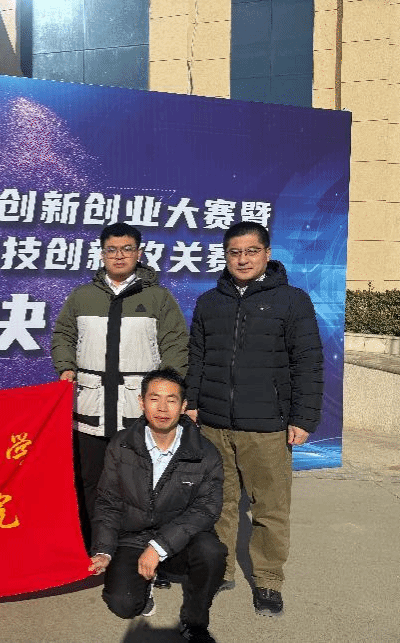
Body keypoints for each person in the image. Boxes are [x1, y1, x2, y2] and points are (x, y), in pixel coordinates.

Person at [185, 221, 324, 617]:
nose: (242, 259)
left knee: (270, 509)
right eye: (235, 252)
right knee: (218, 505)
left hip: (267, 427)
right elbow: (197, 357)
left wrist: (303, 418)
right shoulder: (210, 302)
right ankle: (220, 569)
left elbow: (308, 363)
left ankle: (267, 581)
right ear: (226, 256)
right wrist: (192, 401)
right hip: (214, 424)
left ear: (267, 253)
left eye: (251, 251)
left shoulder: (292, 301)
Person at [51, 222, 188, 547]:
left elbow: (175, 344)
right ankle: (94, 548)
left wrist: (165, 391)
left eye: (127, 249)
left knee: (140, 486)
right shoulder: (82, 297)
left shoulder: (157, 298)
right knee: (91, 483)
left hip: (136, 413)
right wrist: (66, 366)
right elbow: (63, 335)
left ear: (139, 253)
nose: (119, 255)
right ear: (102, 254)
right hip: (90, 411)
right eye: (111, 250)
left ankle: (139, 550)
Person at [89, 369, 225, 643]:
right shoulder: (121, 445)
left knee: (212, 553)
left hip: (181, 538)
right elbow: (108, 501)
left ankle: (195, 621)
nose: (162, 408)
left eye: (171, 400)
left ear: (183, 406)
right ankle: (145, 587)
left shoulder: (205, 452)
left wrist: (158, 547)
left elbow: (206, 509)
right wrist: (104, 549)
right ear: (141, 402)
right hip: (133, 535)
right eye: (154, 399)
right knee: (123, 604)